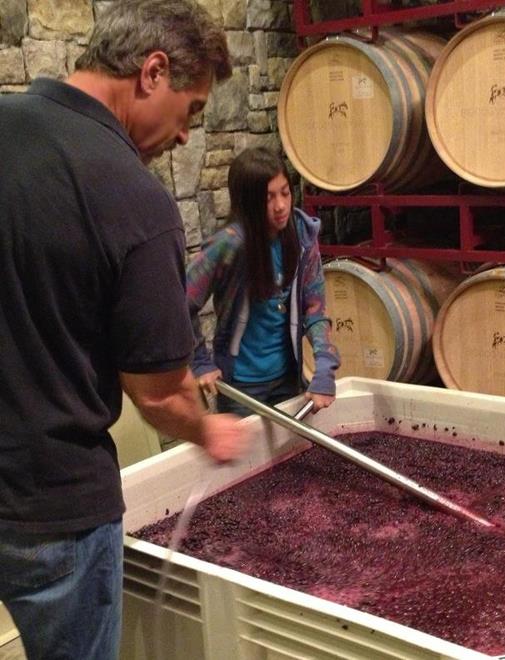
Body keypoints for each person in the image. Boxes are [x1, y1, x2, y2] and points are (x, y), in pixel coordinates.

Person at [0, 2, 250, 659]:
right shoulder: (133, 198)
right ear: (153, 72)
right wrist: (209, 430)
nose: (186, 136)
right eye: (191, 110)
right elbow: (159, 395)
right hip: (54, 508)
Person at [187, 146, 340, 416]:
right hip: (241, 388)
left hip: (287, 379)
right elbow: (182, 302)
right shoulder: (229, 244)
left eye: (285, 193)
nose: (280, 206)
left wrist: (325, 366)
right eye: (268, 198)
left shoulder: (302, 235)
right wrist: (199, 361)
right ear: (248, 202)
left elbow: (315, 310)